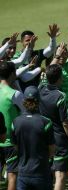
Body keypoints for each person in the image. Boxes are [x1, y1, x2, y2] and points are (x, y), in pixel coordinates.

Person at [39, 64, 68, 190]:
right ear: (59, 78)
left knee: (47, 174)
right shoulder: (60, 96)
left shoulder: (40, 90)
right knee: (60, 175)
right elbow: (66, 123)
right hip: (59, 140)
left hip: (43, 138)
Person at [11, 86, 55, 190]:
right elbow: (52, 150)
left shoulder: (16, 122)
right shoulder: (46, 122)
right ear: (39, 101)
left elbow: (15, 147)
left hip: (23, 174)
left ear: (24, 101)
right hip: (41, 173)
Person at [0, 61, 24, 190]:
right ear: (12, 74)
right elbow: (27, 113)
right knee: (12, 176)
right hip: (11, 142)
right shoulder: (15, 94)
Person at [13, 24, 59, 91]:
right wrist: (39, 69)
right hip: (21, 92)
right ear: (21, 42)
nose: (30, 42)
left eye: (32, 40)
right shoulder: (16, 57)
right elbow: (24, 77)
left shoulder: (38, 53)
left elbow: (51, 50)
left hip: (37, 90)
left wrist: (53, 38)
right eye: (27, 40)